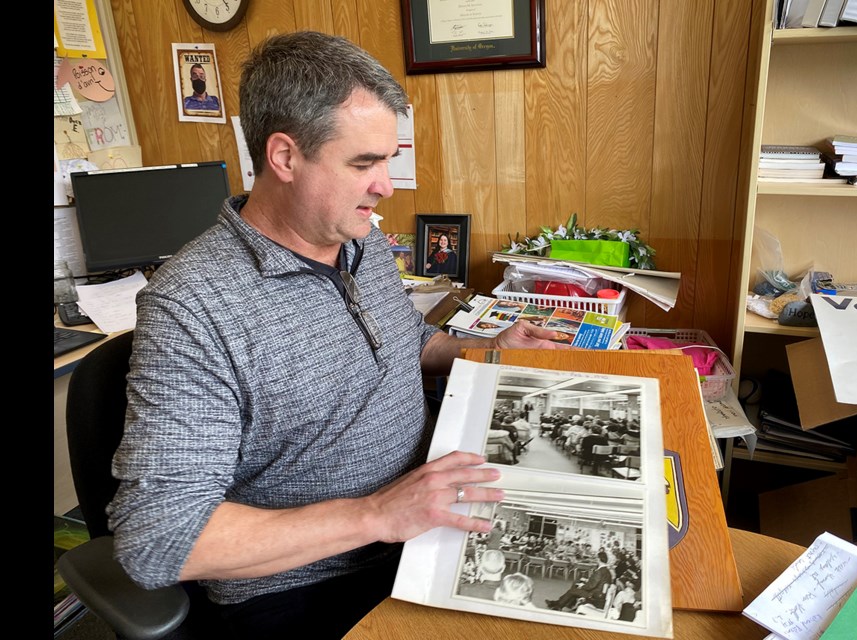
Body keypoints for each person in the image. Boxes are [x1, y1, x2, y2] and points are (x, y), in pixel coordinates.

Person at [106, 31, 567, 640]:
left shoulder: (360, 241)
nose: (388, 187)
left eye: (388, 159)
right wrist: (378, 514)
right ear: (285, 157)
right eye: (364, 164)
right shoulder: (193, 308)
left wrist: (486, 348)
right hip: (309, 586)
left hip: (424, 519)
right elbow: (158, 539)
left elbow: (406, 344)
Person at [545, 557, 614, 612]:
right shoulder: (606, 571)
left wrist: (582, 586)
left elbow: (591, 586)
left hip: (593, 594)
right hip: (599, 593)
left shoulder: (599, 571)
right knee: (576, 585)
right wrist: (587, 581)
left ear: (599, 559)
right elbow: (599, 582)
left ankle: (558, 606)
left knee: (573, 590)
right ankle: (563, 603)